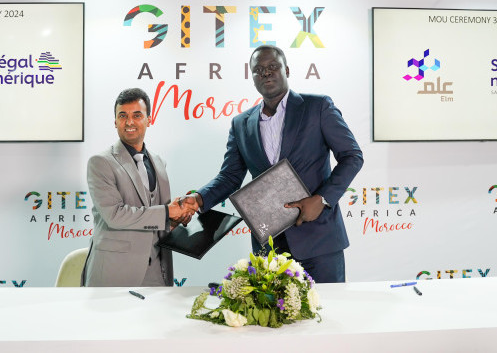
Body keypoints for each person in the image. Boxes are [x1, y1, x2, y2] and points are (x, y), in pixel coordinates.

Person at [185, 45, 363, 283]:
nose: (266, 73)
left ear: (286, 70)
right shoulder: (241, 123)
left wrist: (321, 199)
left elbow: (352, 156)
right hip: (269, 248)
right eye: (258, 70)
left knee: (326, 306)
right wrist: (199, 199)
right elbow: (230, 176)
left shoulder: (317, 107)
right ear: (252, 77)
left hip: (319, 240)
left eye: (272, 66)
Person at [82, 88, 196, 287]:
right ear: (115, 121)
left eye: (137, 115)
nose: (129, 122)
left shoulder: (159, 163)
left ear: (149, 120)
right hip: (115, 273)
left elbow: (155, 219)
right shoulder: (100, 162)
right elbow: (114, 216)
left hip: (158, 271)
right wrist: (167, 212)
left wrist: (175, 219)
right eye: (122, 116)